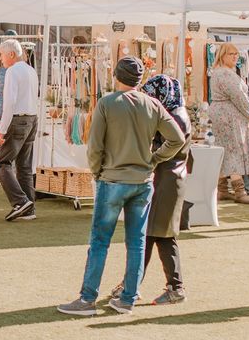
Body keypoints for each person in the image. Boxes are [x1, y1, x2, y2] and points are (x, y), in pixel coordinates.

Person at [58, 57, 185, 316]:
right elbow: (177, 138)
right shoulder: (153, 104)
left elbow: (95, 146)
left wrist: (97, 172)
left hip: (113, 180)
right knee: (136, 242)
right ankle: (127, 298)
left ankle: (87, 298)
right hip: (142, 181)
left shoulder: (107, 103)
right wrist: (154, 159)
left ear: (116, 75)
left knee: (100, 241)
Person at [135, 75, 192, 305]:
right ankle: (135, 283)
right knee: (156, 235)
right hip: (168, 179)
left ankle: (172, 287)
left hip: (167, 180)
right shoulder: (176, 112)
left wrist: (151, 159)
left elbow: (170, 146)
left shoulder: (176, 117)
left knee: (157, 235)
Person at [0, 38, 40, 221]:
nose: (1, 59)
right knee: (24, 166)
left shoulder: (12, 71)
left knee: (1, 162)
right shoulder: (31, 70)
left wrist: (1, 131)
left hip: (18, 120)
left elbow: (9, 104)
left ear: (11, 54)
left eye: (2, 55)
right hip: (32, 118)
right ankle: (28, 208)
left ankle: (20, 202)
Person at [209, 41, 249, 204]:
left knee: (225, 150)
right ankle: (240, 191)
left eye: (237, 54)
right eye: (232, 54)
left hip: (223, 113)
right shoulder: (225, 74)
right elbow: (238, 95)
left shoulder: (220, 72)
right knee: (233, 149)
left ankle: (222, 189)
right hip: (228, 116)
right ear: (223, 55)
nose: (236, 57)